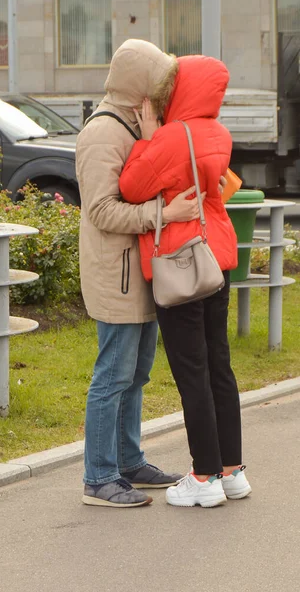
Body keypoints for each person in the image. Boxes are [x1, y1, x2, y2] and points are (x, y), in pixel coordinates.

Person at [76, 39, 213, 509]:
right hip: (116, 274)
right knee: (112, 375)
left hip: (143, 271)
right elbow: (100, 211)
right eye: (159, 85)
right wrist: (165, 212)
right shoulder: (102, 133)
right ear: (138, 86)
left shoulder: (138, 124)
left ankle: (128, 462)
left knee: (136, 375)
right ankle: (99, 477)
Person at [119, 54, 252, 508]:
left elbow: (133, 187)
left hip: (180, 260)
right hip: (218, 257)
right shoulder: (217, 131)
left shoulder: (175, 136)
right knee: (219, 364)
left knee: (191, 370)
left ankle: (204, 476)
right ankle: (232, 470)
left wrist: (149, 139)